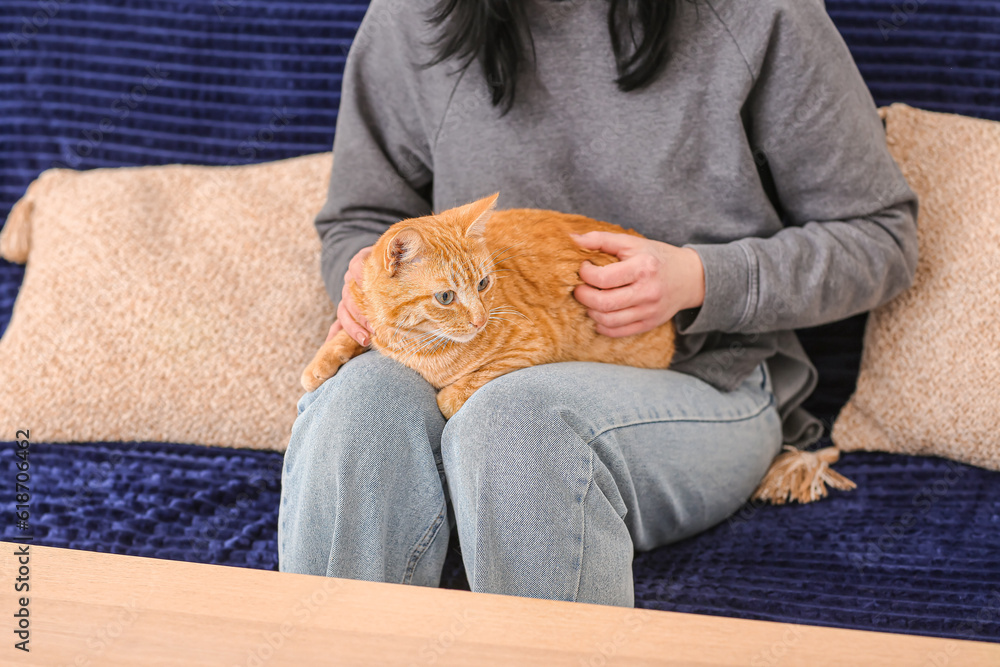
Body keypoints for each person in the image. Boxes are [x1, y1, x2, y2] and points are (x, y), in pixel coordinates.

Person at [278, 0, 918, 607]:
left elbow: (882, 237)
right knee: (350, 411)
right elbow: (360, 218)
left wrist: (699, 278)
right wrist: (366, 279)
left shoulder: (761, 15)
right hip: (459, 345)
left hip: (701, 371)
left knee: (517, 427)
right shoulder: (414, 16)